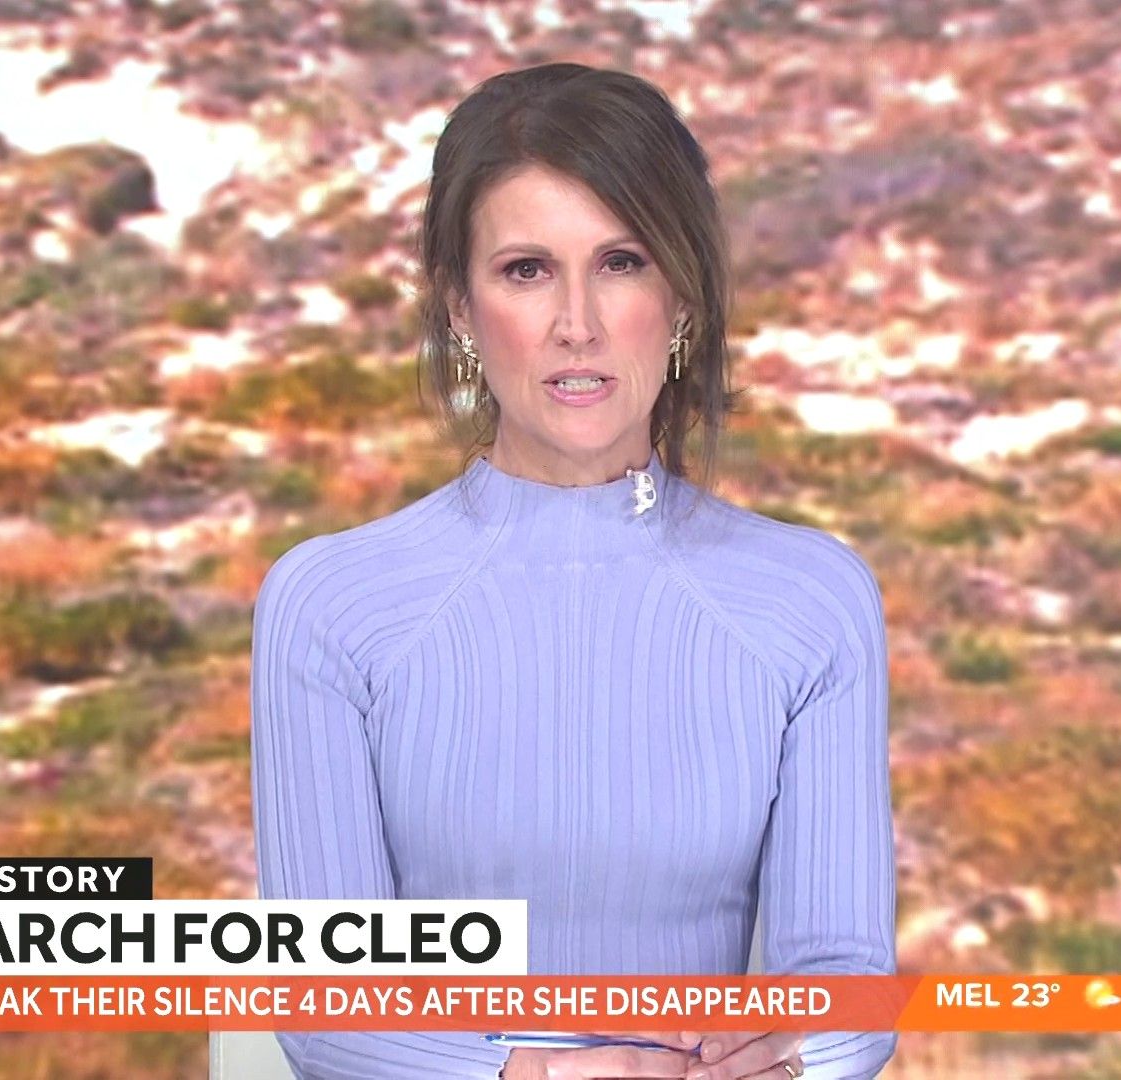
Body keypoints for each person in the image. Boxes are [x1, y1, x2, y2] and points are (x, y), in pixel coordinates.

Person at [252, 62, 895, 1080]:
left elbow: (848, 984)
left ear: (681, 297)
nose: (577, 323)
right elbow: (325, 1007)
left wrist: (787, 1058)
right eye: (526, 270)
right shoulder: (329, 604)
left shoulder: (814, 599)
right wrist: (531, 1074)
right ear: (459, 308)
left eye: (622, 262)